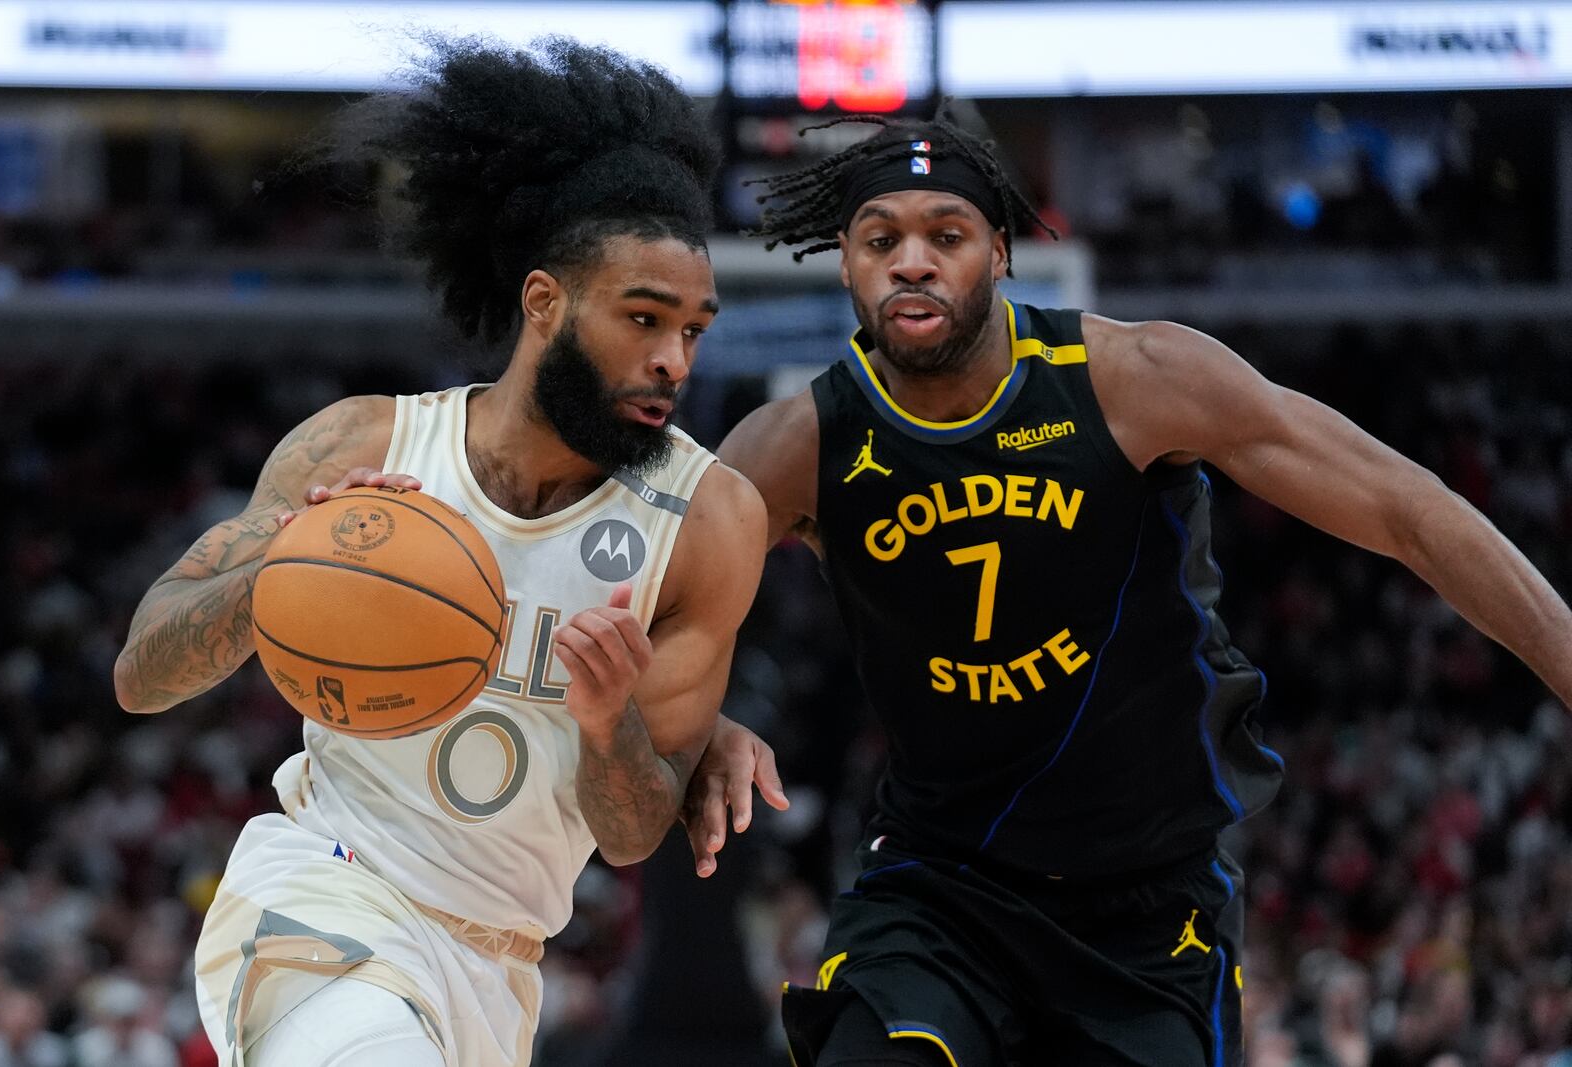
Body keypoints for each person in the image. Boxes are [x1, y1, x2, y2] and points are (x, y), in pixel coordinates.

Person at [683, 111, 1572, 1066]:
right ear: (849, 265)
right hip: (939, 888)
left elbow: (1409, 509)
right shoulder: (796, 446)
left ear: (1003, 253)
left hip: (1147, 905)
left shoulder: (1133, 381)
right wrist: (706, 719)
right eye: (880, 239)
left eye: (946, 234)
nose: (912, 261)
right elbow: (657, 612)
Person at [112, 39, 765, 1067]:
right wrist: (283, 559)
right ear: (544, 303)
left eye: (691, 329)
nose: (672, 359)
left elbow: (635, 831)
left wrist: (604, 729)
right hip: (322, 897)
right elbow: (143, 675)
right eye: (643, 319)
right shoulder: (364, 443)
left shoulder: (709, 519)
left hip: (500, 963)